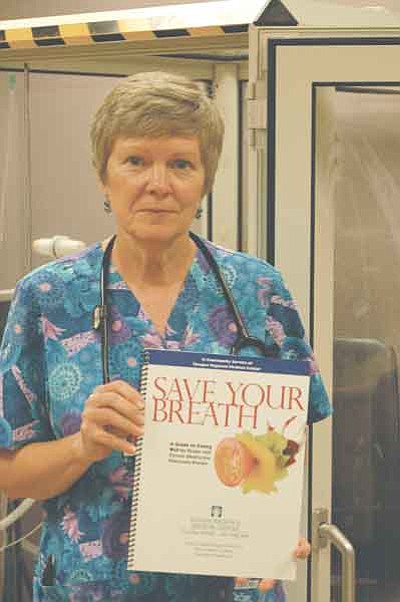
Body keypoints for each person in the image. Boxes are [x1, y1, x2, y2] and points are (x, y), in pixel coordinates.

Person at [0, 71, 331, 602]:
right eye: (135, 160)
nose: (158, 183)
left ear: (205, 180)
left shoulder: (257, 291)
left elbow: (284, 443)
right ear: (104, 176)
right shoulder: (48, 298)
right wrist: (83, 446)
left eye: (181, 163)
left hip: (229, 588)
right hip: (92, 589)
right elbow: (10, 473)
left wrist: (261, 521)